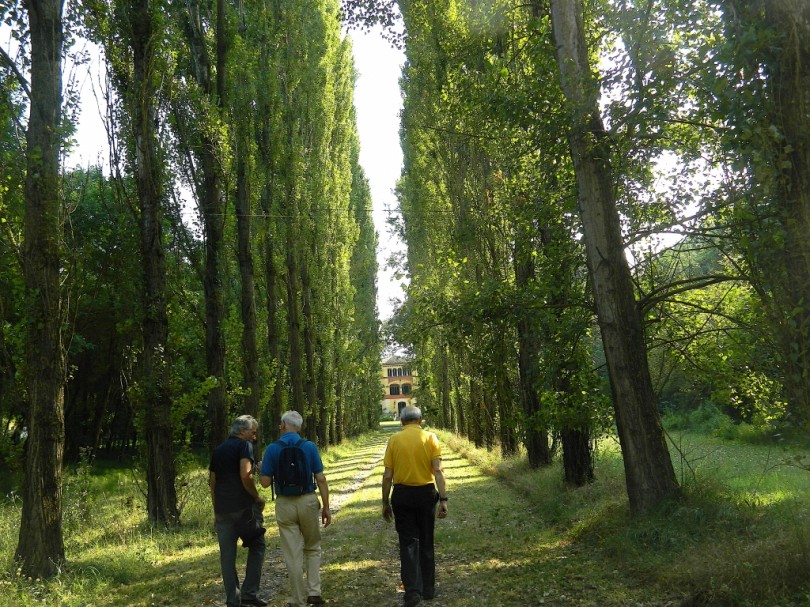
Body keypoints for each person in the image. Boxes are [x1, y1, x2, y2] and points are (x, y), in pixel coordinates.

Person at [259, 411, 331, 607]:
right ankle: (314, 593)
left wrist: (260, 469)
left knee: (292, 554)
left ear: (283, 424)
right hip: (307, 500)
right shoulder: (309, 446)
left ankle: (298, 599)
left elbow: (265, 483)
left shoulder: (272, 449)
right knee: (313, 547)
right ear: (299, 427)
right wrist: (326, 507)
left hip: (285, 504)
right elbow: (321, 478)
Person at [382, 405, 448, 607]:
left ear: (402, 422)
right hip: (426, 494)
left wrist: (385, 501)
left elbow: (387, 476)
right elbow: (437, 471)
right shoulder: (431, 438)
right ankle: (428, 589)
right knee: (426, 540)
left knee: (408, 543)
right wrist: (443, 499)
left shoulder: (394, 440)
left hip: (402, 495)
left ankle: (412, 591)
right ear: (420, 420)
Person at [209, 415, 268, 607]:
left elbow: (213, 483)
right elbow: (245, 474)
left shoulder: (217, 450)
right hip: (244, 509)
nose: (254, 436)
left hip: (223, 510)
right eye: (252, 432)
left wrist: (215, 511)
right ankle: (249, 593)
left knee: (227, 556)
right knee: (257, 545)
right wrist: (256, 497)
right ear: (242, 431)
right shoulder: (244, 446)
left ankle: (233, 601)